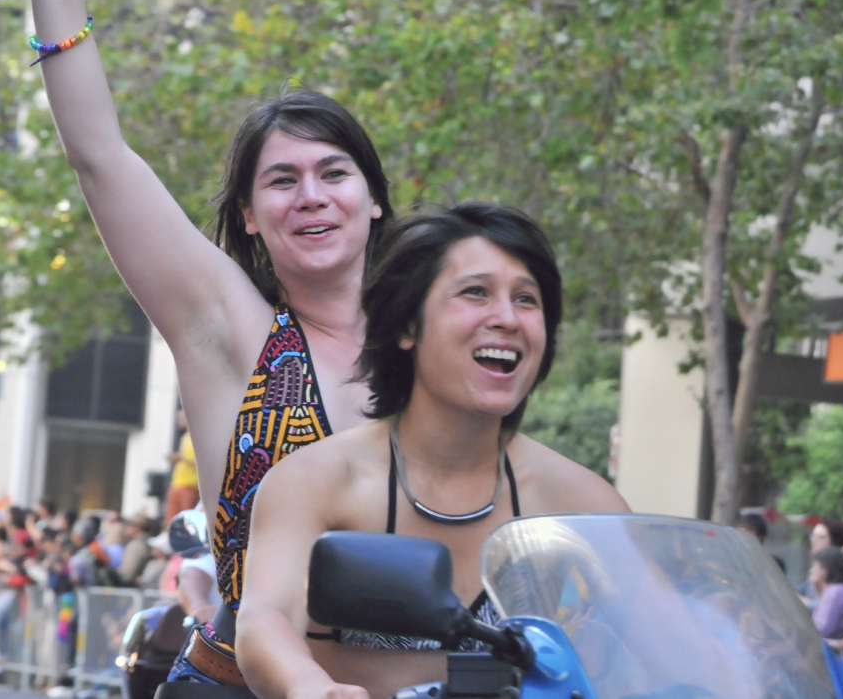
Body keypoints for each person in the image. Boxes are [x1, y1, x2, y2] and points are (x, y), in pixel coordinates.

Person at [15, 0, 395, 685]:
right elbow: (101, 156)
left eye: (336, 173)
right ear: (252, 220)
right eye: (282, 181)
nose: (312, 196)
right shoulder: (234, 332)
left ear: (374, 198)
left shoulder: (433, 344)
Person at [234, 204, 630, 699]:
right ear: (407, 326)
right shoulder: (316, 480)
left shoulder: (586, 505)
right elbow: (264, 622)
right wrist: (311, 687)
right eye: (475, 292)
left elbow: (661, 635)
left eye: (527, 299)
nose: (506, 318)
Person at [810, 547, 843, 640]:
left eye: (814, 566)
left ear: (824, 571)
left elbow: (823, 629)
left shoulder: (835, 592)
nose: (811, 570)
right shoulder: (839, 590)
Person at [165, 407, 199, 519]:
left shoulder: (198, 437)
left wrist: (181, 458)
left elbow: (199, 463)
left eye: (182, 417)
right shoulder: (185, 437)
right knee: (171, 518)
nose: (180, 420)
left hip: (190, 485)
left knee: (186, 518)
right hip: (177, 483)